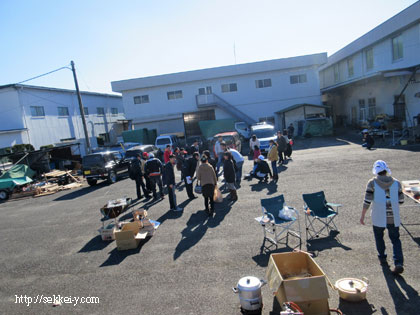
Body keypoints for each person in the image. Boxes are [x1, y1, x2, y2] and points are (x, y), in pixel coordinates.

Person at [360, 160, 405, 274]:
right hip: (393, 216)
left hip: (378, 216)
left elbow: (367, 201)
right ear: (386, 170)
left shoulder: (372, 183)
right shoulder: (397, 183)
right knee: (395, 239)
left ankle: (382, 258)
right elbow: (401, 201)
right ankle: (398, 263)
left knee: (379, 238)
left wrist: (363, 216)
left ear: (376, 171)